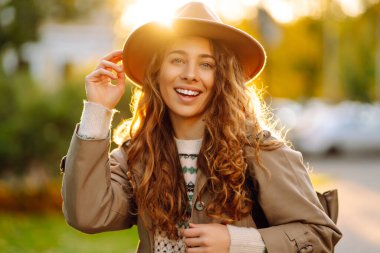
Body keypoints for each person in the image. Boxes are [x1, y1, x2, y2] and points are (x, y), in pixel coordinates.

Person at [60, 2, 342, 252]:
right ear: (157, 73)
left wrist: (237, 242)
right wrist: (98, 110)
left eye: (206, 64)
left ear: (223, 78)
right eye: (177, 60)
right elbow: (87, 214)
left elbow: (319, 235)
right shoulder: (137, 157)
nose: (190, 75)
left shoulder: (260, 151)